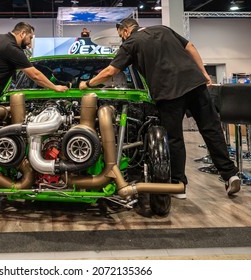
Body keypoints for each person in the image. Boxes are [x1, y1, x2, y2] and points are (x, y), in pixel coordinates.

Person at [79, 18, 241, 198]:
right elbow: (191, 47)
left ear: (125, 31)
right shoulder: (164, 29)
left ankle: (178, 184)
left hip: (168, 92)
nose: (122, 39)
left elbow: (110, 71)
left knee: (174, 138)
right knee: (211, 129)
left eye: (120, 36)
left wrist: (88, 83)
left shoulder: (131, 43)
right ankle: (230, 174)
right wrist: (203, 73)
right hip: (195, 84)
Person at [0, 22, 68, 112]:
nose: (30, 44)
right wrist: (55, 87)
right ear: (23, 33)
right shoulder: (11, 48)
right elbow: (35, 75)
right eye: (30, 38)